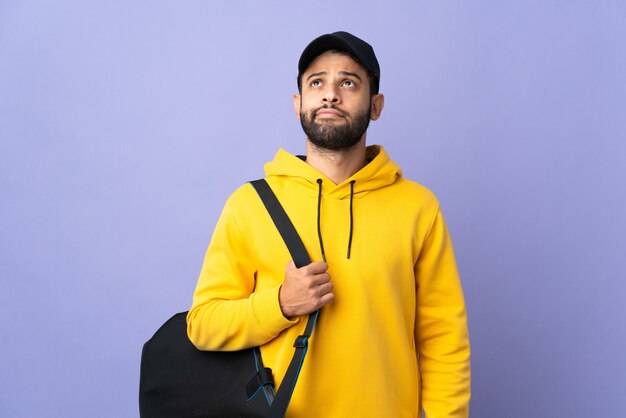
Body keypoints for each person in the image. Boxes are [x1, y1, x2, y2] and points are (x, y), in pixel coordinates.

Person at [187, 31, 471, 418]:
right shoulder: (249, 205)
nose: (330, 94)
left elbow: (444, 341)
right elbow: (203, 325)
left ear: (375, 105)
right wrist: (281, 304)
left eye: (348, 83)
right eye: (316, 82)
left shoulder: (418, 207)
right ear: (298, 102)